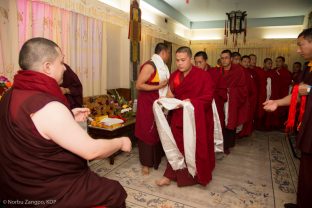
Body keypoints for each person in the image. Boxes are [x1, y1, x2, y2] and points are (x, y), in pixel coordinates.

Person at [0, 37, 131, 207]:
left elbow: (36, 126)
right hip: (44, 190)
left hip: (12, 185)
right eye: (61, 62)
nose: (64, 68)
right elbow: (91, 151)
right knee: (115, 191)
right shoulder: (49, 106)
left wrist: (68, 116)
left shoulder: (9, 94)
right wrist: (120, 141)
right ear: (47, 66)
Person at [263, 28, 312, 208]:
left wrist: (311, 90)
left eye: (301, 45)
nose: (298, 50)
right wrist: (277, 102)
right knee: (306, 169)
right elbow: (298, 93)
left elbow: (306, 90)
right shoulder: (309, 67)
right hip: (307, 123)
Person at [156, 46, 215, 187]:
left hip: (196, 119)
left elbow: (208, 98)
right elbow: (171, 95)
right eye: (177, 60)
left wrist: (191, 102)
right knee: (176, 146)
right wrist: (162, 101)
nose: (180, 63)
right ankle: (169, 175)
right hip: (178, 117)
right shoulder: (175, 75)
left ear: (190, 59)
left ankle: (195, 176)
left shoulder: (203, 76)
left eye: (183, 60)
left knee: (193, 147)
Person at [135, 42, 170, 175]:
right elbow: (139, 85)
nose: (168, 56)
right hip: (147, 105)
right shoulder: (150, 66)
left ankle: (156, 158)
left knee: (157, 130)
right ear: (164, 52)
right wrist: (158, 87)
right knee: (147, 131)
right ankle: (146, 163)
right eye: (168, 54)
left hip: (159, 104)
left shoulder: (163, 66)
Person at [219, 50, 248, 154]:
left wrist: (230, 91)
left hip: (232, 100)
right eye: (222, 58)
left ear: (231, 59)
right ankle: (220, 143)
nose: (224, 60)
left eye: (226, 57)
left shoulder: (238, 70)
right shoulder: (218, 71)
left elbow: (243, 87)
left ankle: (228, 145)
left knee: (230, 122)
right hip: (220, 100)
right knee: (220, 122)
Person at [238, 55, 257, 137]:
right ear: (241, 62)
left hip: (249, 98)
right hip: (242, 97)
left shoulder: (248, 71)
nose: (246, 63)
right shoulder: (239, 71)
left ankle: (245, 132)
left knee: (248, 116)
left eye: (248, 62)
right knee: (241, 116)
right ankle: (240, 133)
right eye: (244, 61)